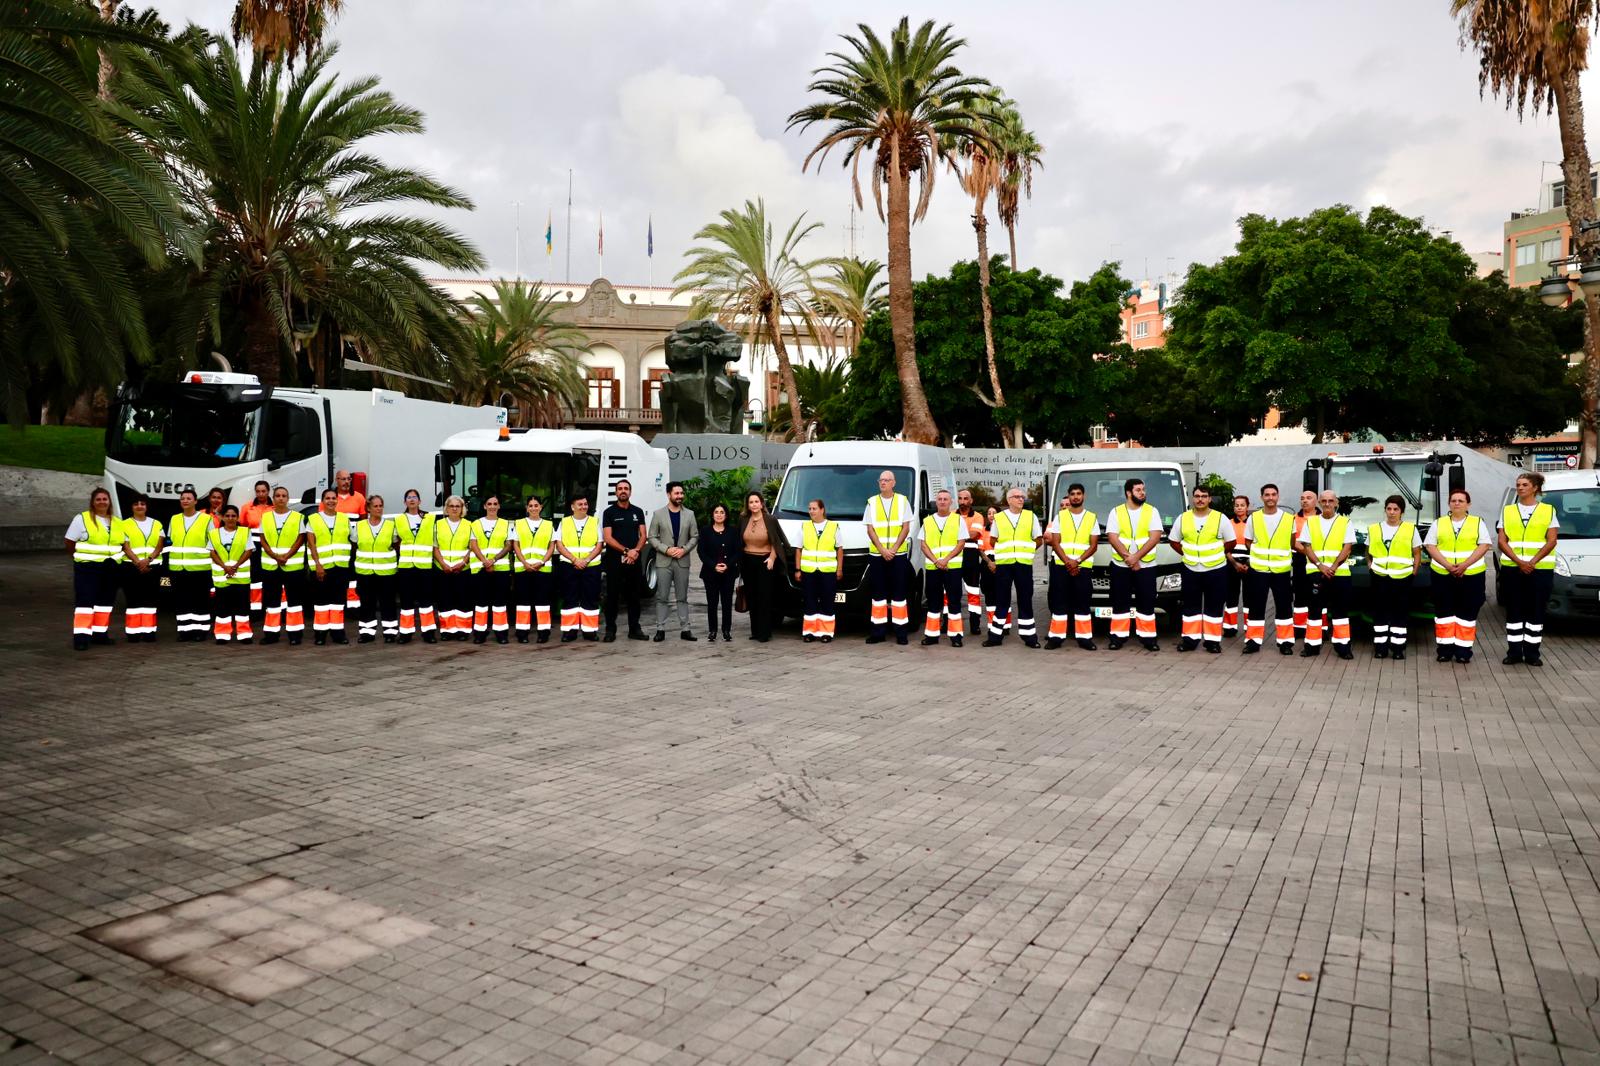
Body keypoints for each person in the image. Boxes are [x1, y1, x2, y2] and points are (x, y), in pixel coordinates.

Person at [1498, 471, 1560, 666]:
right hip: (1512, 569)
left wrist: (1531, 562)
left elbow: (1552, 540)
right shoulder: (1508, 511)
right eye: (1518, 484)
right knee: (1514, 610)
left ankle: (1533, 654)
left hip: (1539, 570)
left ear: (1535, 488)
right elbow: (1502, 540)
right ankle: (1514, 653)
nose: (1520, 488)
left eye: (1524, 485)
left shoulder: (1548, 510)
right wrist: (1519, 562)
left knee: (1535, 611)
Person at [1425, 489, 1492, 664]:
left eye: (1461, 501)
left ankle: (1463, 652)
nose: (1456, 503)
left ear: (1468, 504)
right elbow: (1430, 546)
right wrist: (1447, 565)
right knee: (1444, 614)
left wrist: (1464, 565)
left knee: (1467, 615)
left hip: (1471, 575)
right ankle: (1444, 651)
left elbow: (1484, 545)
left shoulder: (1477, 523)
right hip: (1442, 575)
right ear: (1449, 504)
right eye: (1453, 500)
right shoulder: (1438, 523)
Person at [1168, 485, 1234, 654]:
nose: (1200, 499)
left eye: (1204, 496)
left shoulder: (1221, 518)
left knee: (1214, 605)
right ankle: (1190, 640)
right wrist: (1187, 554)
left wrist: (1216, 553)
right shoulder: (1183, 518)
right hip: (1191, 568)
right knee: (1190, 607)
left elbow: (1231, 541)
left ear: (1209, 499)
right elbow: (1174, 541)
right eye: (1197, 496)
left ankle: (1212, 642)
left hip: (1216, 569)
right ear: (1193, 498)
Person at [1104, 478, 1164, 652]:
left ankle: (1148, 638)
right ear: (1128, 493)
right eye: (1138, 490)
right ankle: (1117, 637)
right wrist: (1128, 558)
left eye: (1143, 489)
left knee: (1146, 602)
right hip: (1120, 565)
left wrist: (1136, 557)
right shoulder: (1116, 512)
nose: (1142, 493)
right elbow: (1112, 537)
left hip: (1146, 566)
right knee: (1119, 602)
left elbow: (1155, 537)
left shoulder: (1152, 511)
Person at [1297, 490, 1355, 659]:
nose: (1327, 503)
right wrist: (1320, 566)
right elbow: (1306, 546)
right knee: (1314, 611)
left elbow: (1348, 547)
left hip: (1340, 574)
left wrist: (1334, 566)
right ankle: (1312, 646)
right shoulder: (1311, 522)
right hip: (1316, 572)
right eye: (1324, 501)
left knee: (1340, 612)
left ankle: (1343, 647)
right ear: (1319, 503)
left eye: (1331, 501)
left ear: (1336, 503)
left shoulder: (1345, 522)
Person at [1242, 483, 1297, 655]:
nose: (1270, 497)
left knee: (1284, 606)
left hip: (1281, 570)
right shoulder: (1253, 518)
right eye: (1267, 495)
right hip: (1258, 569)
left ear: (1278, 496)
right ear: (1262, 497)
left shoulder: (1289, 519)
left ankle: (1285, 642)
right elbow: (1248, 541)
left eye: (1273, 494)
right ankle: (1253, 641)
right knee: (1256, 606)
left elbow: (1292, 542)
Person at [984, 487, 1041, 648]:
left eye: (1022, 497)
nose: (1021, 499)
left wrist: (1026, 551)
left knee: (1025, 599)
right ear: (1009, 500)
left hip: (1023, 564)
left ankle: (1029, 637)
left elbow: (1039, 539)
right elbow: (993, 540)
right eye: (1017, 497)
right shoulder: (999, 518)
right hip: (1004, 565)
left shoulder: (1031, 516)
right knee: (1002, 600)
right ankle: (995, 636)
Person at [65, 488, 122, 650]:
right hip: (88, 568)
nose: (102, 502)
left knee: (105, 603)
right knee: (85, 602)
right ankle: (81, 638)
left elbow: (124, 544)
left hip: (110, 568)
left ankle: (100, 635)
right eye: (98, 499)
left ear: (109, 502)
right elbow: (69, 541)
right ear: (93, 502)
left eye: (105, 499)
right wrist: (78, 557)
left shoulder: (117, 522)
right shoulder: (81, 519)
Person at [1045, 483, 1099, 651]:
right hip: (1062, 566)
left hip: (1082, 567)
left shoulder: (1091, 517)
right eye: (1072, 494)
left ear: (1084, 496)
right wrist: (1069, 562)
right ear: (1068, 496)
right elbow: (1055, 542)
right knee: (1059, 602)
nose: (1076, 496)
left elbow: (1093, 545)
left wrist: (1078, 561)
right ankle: (1056, 638)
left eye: (1079, 493)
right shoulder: (1060, 517)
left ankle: (1084, 639)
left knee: (1083, 602)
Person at [1367, 494, 1421, 660]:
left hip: (1403, 577)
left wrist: (1413, 572)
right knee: (1380, 612)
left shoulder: (1411, 529)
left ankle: (1398, 648)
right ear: (1385, 510)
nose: (1392, 512)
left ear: (1401, 512)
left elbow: (1417, 553)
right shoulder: (1374, 528)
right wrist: (1371, 567)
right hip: (1379, 577)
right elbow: (1368, 551)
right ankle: (1380, 648)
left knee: (1400, 613)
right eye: (1389, 509)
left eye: (1395, 509)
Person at [864, 471, 914, 645]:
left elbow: (905, 528)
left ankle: (901, 633)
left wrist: (892, 549)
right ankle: (878, 633)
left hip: (898, 555)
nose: (882, 483)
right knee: (878, 595)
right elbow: (870, 529)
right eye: (880, 480)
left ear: (894, 483)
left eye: (886, 480)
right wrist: (882, 550)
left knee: (899, 595)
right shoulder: (872, 502)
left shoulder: (902, 501)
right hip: (877, 555)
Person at [648, 480, 699, 642]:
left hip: (682, 560)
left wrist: (684, 549)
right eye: (677, 493)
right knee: (662, 597)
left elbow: (695, 536)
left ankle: (686, 629)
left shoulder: (689, 514)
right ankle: (660, 629)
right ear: (668, 494)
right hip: (664, 561)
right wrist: (666, 549)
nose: (680, 496)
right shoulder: (658, 514)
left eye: (682, 493)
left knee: (682, 597)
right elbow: (652, 537)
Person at [257, 485, 307, 645]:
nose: (280, 498)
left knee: (294, 601)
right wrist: (274, 556)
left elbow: (301, 539)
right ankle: (271, 634)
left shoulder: (297, 517)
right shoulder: (266, 517)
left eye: (284, 495)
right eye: (277, 495)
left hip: (292, 565)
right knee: (272, 602)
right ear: (274, 498)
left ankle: (295, 634)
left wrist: (286, 556)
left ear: (288, 498)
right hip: (271, 566)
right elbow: (262, 539)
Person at [602, 479, 649, 642]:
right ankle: (610, 630)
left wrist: (635, 551)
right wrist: (626, 551)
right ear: (616, 492)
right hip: (615, 562)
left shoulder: (638, 511)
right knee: (612, 596)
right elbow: (607, 538)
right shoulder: (609, 512)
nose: (623, 491)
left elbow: (643, 535)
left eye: (626, 488)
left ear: (630, 491)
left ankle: (634, 629)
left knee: (634, 597)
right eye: (620, 489)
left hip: (634, 561)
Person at [919, 489, 967, 647]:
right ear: (936, 502)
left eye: (945, 499)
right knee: (933, 602)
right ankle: (932, 635)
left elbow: (961, 543)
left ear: (951, 502)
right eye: (939, 499)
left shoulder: (958, 520)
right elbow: (923, 545)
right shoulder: (928, 521)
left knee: (953, 602)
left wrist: (945, 560)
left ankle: (956, 636)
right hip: (934, 568)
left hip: (952, 567)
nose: (942, 501)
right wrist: (936, 561)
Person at [304, 489, 352, 645]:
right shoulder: (313, 519)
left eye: (333, 498)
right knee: (321, 602)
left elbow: (352, 539)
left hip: (340, 567)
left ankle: (338, 633)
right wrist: (318, 565)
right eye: (327, 498)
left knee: (338, 601)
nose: (331, 501)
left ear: (337, 500)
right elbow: (311, 544)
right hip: (322, 568)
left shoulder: (344, 519)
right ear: (322, 501)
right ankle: (320, 633)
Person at [166, 489, 213, 642]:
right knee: (181, 601)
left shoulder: (206, 519)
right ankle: (184, 631)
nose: (185, 500)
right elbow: (169, 541)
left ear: (195, 501)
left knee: (200, 601)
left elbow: (213, 543)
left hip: (200, 568)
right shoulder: (174, 519)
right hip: (178, 569)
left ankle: (201, 630)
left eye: (188, 498)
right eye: (182, 498)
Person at [352, 494, 399, 643]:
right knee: (367, 603)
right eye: (375, 506)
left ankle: (390, 632)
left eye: (380, 506)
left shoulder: (391, 526)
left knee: (388, 603)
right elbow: (354, 545)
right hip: (365, 572)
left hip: (386, 572)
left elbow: (396, 544)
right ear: (368, 508)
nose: (378, 509)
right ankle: (366, 633)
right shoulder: (359, 526)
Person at [556, 492, 603, 641]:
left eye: (585, 504)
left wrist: (586, 560)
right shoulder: (564, 522)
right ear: (572, 507)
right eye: (580, 504)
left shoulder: (594, 522)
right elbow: (559, 544)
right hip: (569, 566)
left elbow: (599, 544)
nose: (583, 507)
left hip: (591, 566)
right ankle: (570, 631)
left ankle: (589, 631)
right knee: (570, 598)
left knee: (590, 598)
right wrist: (575, 560)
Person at [118, 493, 164, 642]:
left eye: (142, 503)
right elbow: (126, 547)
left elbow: (159, 546)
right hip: (131, 567)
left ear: (146, 506)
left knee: (150, 600)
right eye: (136, 503)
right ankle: (133, 633)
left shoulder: (156, 524)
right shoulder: (123, 524)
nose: (139, 506)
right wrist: (138, 562)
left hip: (153, 567)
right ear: (131, 507)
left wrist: (149, 560)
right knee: (133, 600)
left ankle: (149, 632)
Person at [798, 499, 846, 643]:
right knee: (810, 601)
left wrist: (839, 569)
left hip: (828, 571)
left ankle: (826, 633)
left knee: (827, 602)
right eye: (809, 508)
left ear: (822, 510)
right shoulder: (804, 526)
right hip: (809, 571)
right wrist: (797, 569)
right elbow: (798, 549)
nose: (811, 511)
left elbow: (840, 549)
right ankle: (809, 632)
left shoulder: (833, 526)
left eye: (814, 508)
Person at [395, 489, 438, 644]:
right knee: (406, 601)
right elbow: (395, 540)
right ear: (405, 502)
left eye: (414, 497)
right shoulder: (399, 519)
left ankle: (429, 633)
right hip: (406, 566)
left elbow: (434, 540)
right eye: (408, 497)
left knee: (426, 602)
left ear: (420, 501)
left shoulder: (430, 518)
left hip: (424, 566)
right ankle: (406, 633)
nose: (412, 500)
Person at [432, 495, 477, 640]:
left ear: (462, 509)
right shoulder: (438, 525)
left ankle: (463, 630)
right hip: (443, 568)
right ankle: (447, 630)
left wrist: (463, 563)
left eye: (458, 506)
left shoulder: (470, 525)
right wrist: (444, 564)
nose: (454, 509)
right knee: (445, 600)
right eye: (451, 506)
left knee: (463, 600)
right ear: (446, 508)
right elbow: (435, 547)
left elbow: (473, 548)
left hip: (462, 569)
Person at [512, 495, 556, 644]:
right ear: (526, 508)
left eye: (536, 505)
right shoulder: (518, 524)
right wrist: (525, 563)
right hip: (523, 569)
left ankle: (543, 633)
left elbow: (552, 546)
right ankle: (522, 633)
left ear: (541, 507)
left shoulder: (549, 525)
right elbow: (515, 545)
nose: (533, 508)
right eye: (530, 506)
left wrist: (542, 562)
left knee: (542, 602)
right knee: (523, 603)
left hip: (542, 569)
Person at [207, 504, 253, 643]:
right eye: (227, 515)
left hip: (241, 577)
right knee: (222, 607)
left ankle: (244, 635)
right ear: (222, 517)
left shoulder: (245, 531)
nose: (230, 518)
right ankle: (222, 635)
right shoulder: (214, 533)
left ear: (238, 517)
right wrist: (224, 567)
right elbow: (212, 552)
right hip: (222, 576)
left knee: (242, 607)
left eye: (233, 516)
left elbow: (249, 550)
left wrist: (235, 566)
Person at [470, 495, 513, 645]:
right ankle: (480, 634)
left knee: (500, 603)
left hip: (500, 568)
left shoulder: (506, 524)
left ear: (499, 506)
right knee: (481, 603)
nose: (492, 506)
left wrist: (493, 560)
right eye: (489, 504)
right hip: (480, 568)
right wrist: (485, 561)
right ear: (484, 506)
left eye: (495, 504)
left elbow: (508, 545)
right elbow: (473, 545)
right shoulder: (475, 524)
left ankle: (501, 634)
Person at [697, 503, 740, 642]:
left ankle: (726, 630)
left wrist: (727, 565)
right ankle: (713, 630)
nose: (719, 514)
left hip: (729, 572)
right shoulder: (705, 531)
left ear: (726, 515)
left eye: (722, 512)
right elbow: (701, 551)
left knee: (727, 603)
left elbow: (738, 551)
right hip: (710, 573)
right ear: (712, 514)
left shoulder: (733, 531)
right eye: (716, 512)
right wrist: (713, 565)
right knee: (712, 602)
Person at [957, 489, 994, 638]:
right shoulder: (952, 515)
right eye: (960, 498)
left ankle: (975, 625)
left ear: (971, 501)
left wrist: (955, 535)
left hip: (970, 556)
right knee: (949, 592)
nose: (963, 501)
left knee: (973, 592)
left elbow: (974, 535)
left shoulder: (978, 516)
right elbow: (968, 534)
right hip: (953, 556)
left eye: (966, 498)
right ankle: (947, 623)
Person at [241, 479, 272, 616]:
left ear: (268, 491)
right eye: (258, 491)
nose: (260, 494)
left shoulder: (275, 507)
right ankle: (255, 609)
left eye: (263, 491)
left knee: (269, 576)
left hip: (269, 546)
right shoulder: (247, 507)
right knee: (255, 578)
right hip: (253, 546)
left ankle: (270, 606)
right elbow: (242, 527)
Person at [1291, 488, 1318, 641]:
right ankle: (1300, 629)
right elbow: (1292, 542)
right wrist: (1309, 554)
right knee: (1300, 594)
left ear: (1316, 501)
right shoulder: (1293, 519)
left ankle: (1321, 628)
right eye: (1302, 498)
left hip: (1320, 561)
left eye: (1308, 498)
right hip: (1301, 560)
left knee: (1318, 595)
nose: (1304, 500)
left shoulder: (1323, 517)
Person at [1223, 494, 1251, 638]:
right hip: (1231, 564)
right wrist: (1234, 563)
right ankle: (1229, 627)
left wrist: (1246, 563)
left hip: (1249, 564)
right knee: (1231, 596)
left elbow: (1256, 545)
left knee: (1249, 597)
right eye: (1237, 505)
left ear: (1248, 506)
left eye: (1242, 505)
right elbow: (1225, 546)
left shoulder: (1253, 523)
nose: (1239, 508)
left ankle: (1249, 627)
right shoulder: (1228, 523)